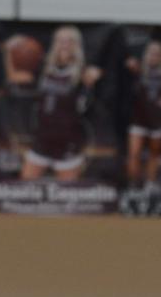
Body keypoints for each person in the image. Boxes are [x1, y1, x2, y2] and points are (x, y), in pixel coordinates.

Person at [13, 25, 102, 183]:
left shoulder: (83, 72)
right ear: (55, 43)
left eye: (70, 41)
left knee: (66, 195)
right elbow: (17, 78)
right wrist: (10, 50)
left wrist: (89, 86)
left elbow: (84, 107)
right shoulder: (42, 67)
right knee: (25, 187)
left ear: (77, 45)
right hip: (43, 136)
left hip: (67, 140)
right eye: (61, 40)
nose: (65, 44)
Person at [126, 39, 161, 187]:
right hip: (138, 118)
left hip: (156, 119)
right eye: (152, 53)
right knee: (134, 154)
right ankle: (134, 184)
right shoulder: (138, 70)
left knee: (154, 153)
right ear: (146, 54)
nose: (154, 56)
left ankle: (150, 184)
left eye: (158, 54)